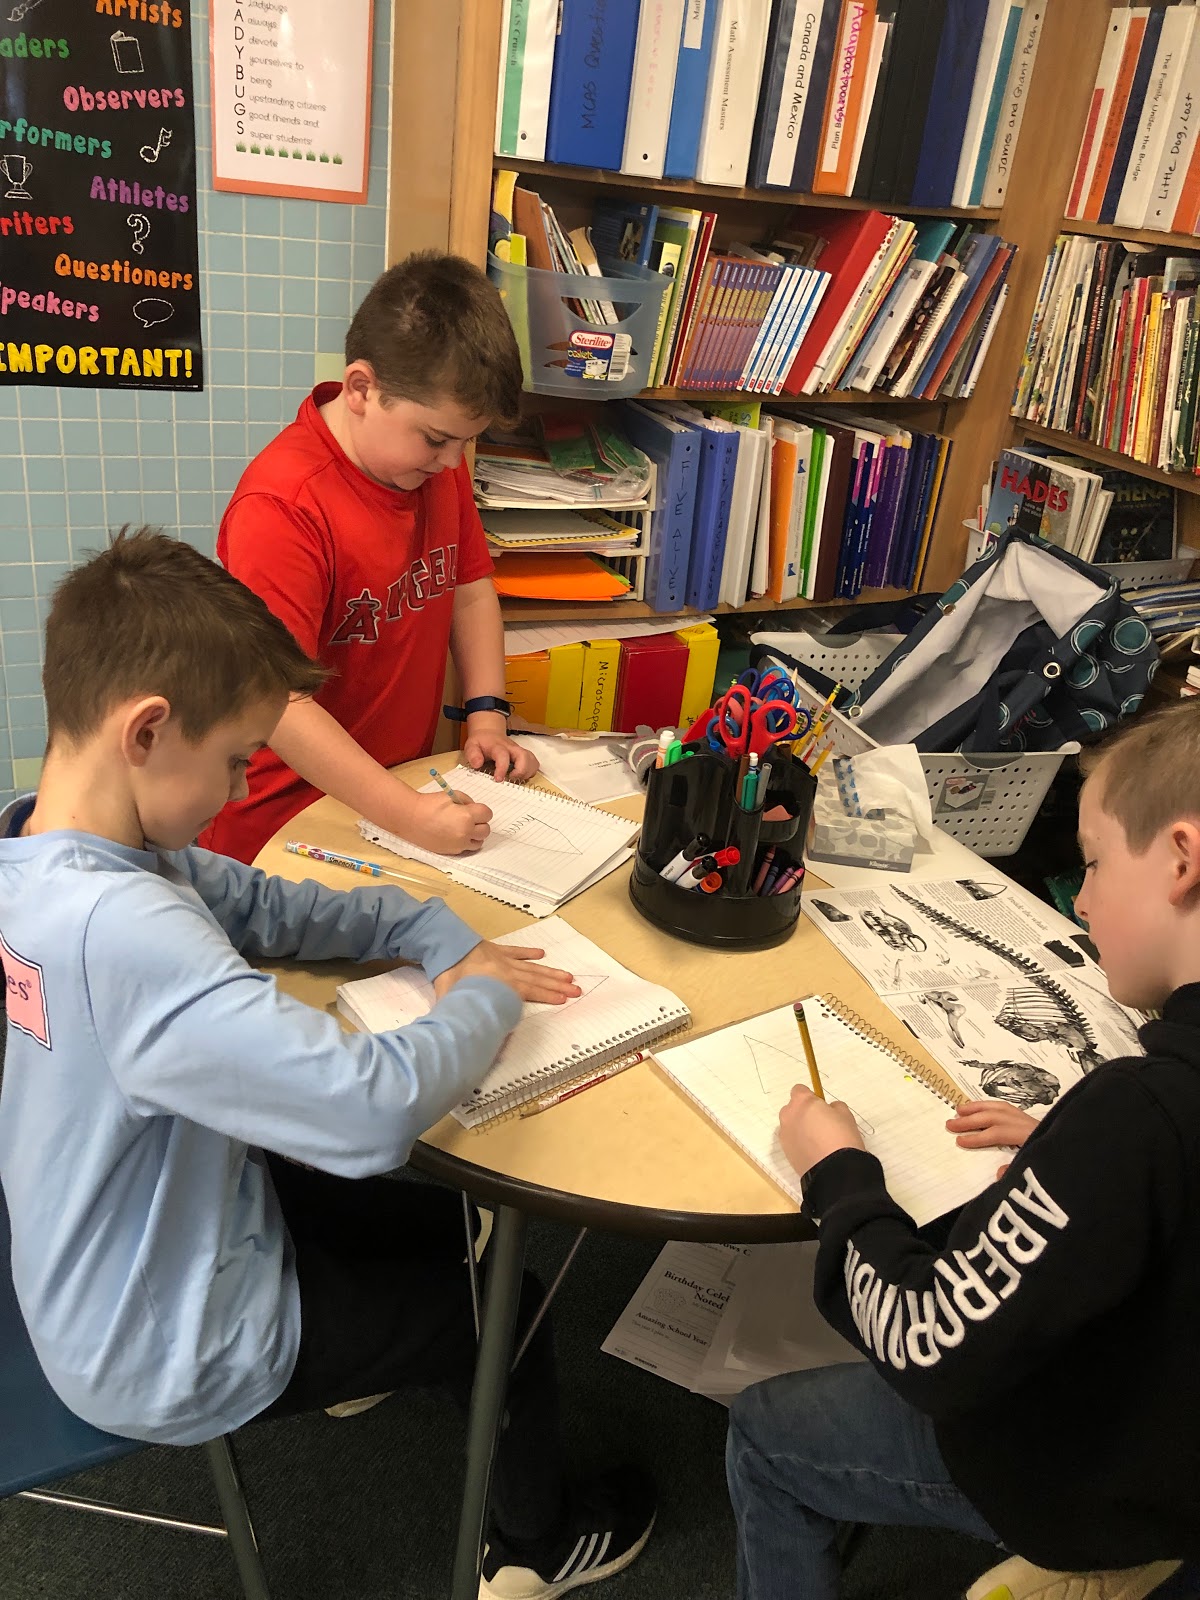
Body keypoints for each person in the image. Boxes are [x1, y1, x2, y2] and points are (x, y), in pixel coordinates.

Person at [0, 530, 655, 1600]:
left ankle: (377, 1356)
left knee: (444, 1224)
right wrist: (485, 994)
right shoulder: (125, 935)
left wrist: (433, 931)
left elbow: (269, 905)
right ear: (148, 730)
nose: (238, 787)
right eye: (235, 760)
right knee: (509, 1307)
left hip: (117, 1233)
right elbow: (368, 1110)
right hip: (166, 1341)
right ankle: (536, 1547)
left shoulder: (46, 846)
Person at [726, 700, 1200, 1600]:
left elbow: (927, 1340)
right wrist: (1073, 1151)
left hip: (1100, 1482)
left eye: (1095, 862)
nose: (1083, 898)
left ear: (1181, 859)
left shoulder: (1136, 1118)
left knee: (764, 1433)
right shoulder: (1136, 1125)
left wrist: (838, 1175)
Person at [199, 251, 539, 867]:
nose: (452, 462)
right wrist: (409, 815)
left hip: (395, 797)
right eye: (437, 439)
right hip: (282, 825)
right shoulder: (282, 507)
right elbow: (279, 702)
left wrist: (487, 716)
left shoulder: (433, 467)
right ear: (361, 388)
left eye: (467, 442)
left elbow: (468, 588)